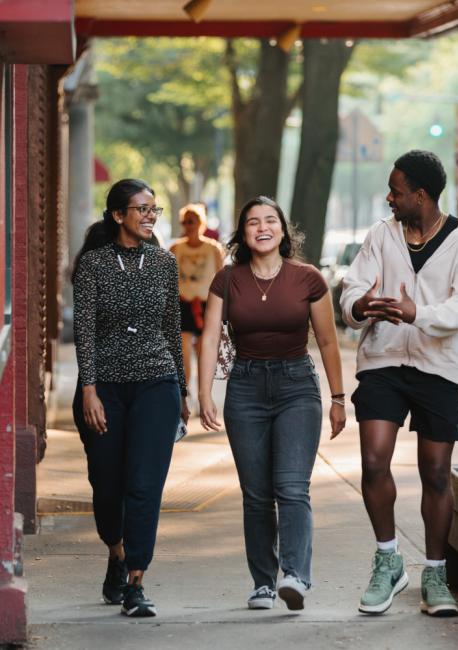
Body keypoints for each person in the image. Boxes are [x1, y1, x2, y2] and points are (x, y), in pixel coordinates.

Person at [339, 150, 458, 617]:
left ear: (420, 195)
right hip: (383, 359)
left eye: (396, 191)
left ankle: (436, 571)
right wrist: (362, 306)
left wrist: (416, 313)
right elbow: (349, 290)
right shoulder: (380, 236)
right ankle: (388, 560)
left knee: (436, 473)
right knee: (372, 459)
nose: (389, 198)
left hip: (438, 366)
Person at [198, 196, 346, 612]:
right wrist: (204, 391)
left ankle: (295, 576)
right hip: (244, 388)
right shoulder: (227, 280)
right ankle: (264, 582)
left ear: (283, 229)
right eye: (252, 223)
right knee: (257, 494)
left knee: (292, 487)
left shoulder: (308, 278)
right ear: (243, 233)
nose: (262, 228)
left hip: (297, 386)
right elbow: (210, 337)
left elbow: (328, 341)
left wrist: (337, 397)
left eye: (270, 221)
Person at [72, 178, 189, 618]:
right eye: (141, 209)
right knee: (107, 486)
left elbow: (170, 329)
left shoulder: (164, 262)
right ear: (118, 215)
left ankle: (137, 580)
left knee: (144, 486)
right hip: (105, 387)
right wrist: (89, 389)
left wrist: (181, 389)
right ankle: (116, 552)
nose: (149, 217)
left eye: (153, 210)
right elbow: (84, 329)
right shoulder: (94, 265)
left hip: (156, 382)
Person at [169, 203, 225, 387]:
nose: (188, 225)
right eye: (185, 222)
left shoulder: (213, 249)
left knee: (204, 351)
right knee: (184, 351)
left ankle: (203, 392)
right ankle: (187, 391)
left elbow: (222, 278)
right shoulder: (176, 249)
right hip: (182, 304)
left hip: (205, 305)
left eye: (192, 221)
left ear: (201, 223)